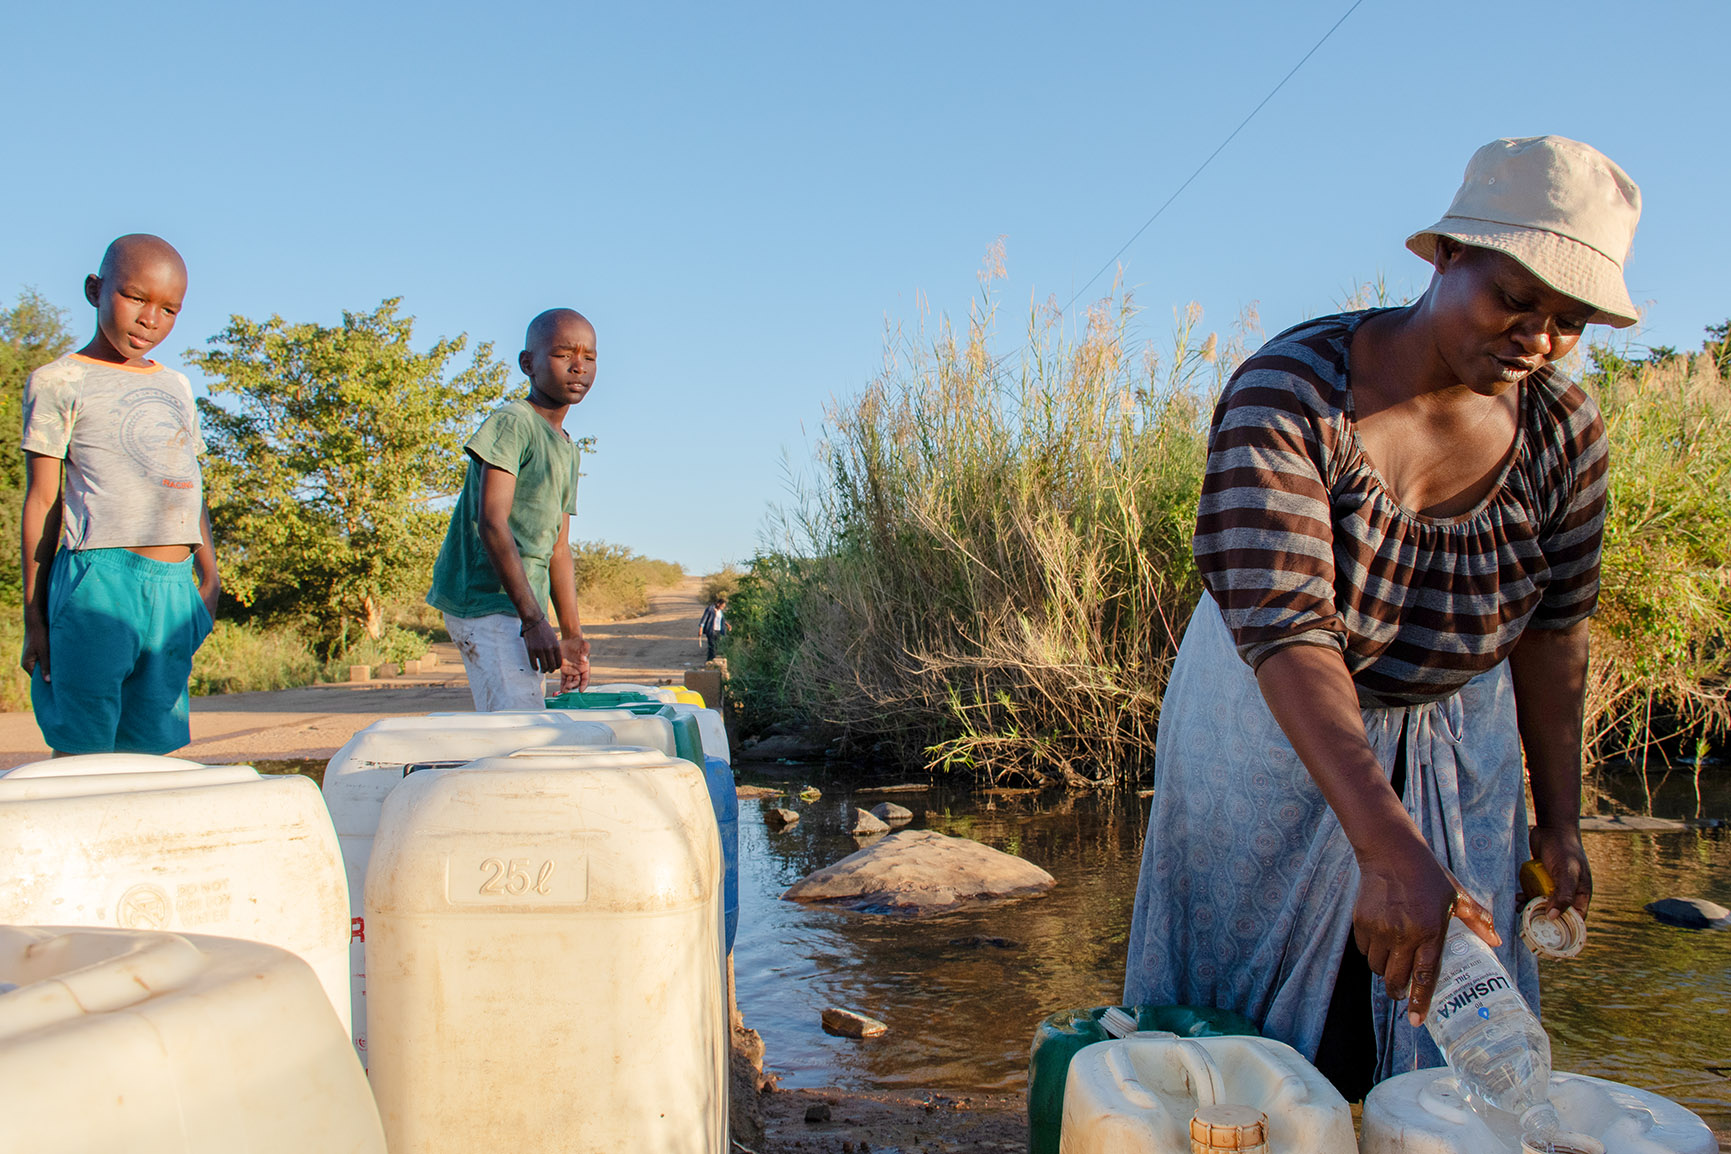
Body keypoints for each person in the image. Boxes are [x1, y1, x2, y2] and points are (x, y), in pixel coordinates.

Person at [1123, 136, 1640, 1099]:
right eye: (1516, 299)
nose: (1538, 335)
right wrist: (1384, 842)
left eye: (1569, 320)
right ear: (1444, 256)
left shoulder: (1564, 432)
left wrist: (1559, 822)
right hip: (1272, 714)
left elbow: (1554, 628)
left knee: (1443, 1006)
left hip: (1459, 726)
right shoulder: (1291, 396)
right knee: (1251, 1018)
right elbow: (1288, 632)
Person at [20, 234, 222, 755]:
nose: (149, 318)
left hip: (175, 590)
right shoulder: (60, 380)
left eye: (169, 308)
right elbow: (43, 501)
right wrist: (34, 617)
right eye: (135, 297)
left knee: (153, 753)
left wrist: (209, 578)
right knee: (84, 752)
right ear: (95, 289)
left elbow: (189, 482)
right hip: (98, 583)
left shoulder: (177, 385)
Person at [427, 308, 594, 710]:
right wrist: (535, 622)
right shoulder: (513, 422)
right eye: (563, 355)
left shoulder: (568, 448)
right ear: (528, 363)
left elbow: (559, 548)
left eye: (589, 357)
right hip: (487, 601)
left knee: (519, 726)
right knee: (519, 732)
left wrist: (570, 634)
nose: (578, 367)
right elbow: (491, 522)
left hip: (521, 609)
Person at [698, 594, 729, 660]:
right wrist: (700, 629)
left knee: (716, 645)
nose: (722, 608)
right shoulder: (710, 609)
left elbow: (722, 619)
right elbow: (704, 619)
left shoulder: (720, 611)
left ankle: (711, 659)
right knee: (712, 645)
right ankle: (710, 660)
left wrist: (728, 625)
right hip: (711, 630)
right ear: (718, 604)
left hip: (718, 630)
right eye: (722, 606)